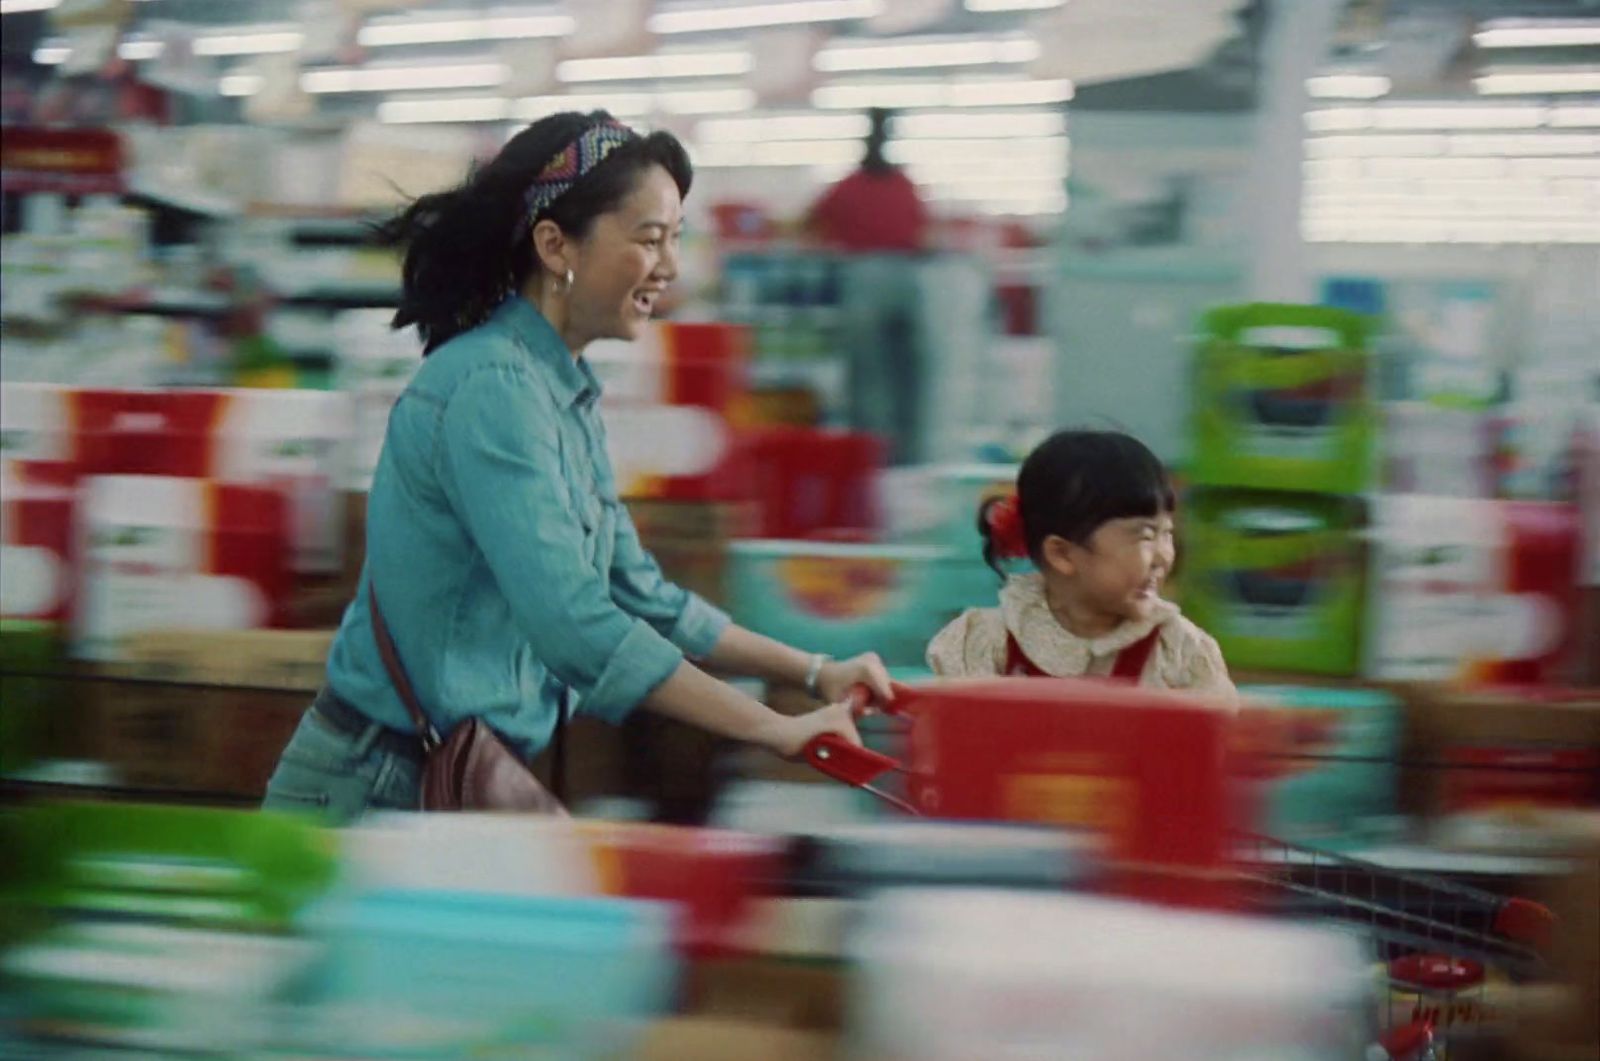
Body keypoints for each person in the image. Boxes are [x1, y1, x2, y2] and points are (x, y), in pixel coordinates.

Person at [263, 111, 890, 823]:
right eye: (649, 238)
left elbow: (642, 593)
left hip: (451, 782)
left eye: (675, 239)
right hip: (373, 786)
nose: (671, 266)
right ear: (557, 245)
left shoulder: (563, 391)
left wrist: (815, 672)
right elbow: (575, 625)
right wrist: (771, 728)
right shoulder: (490, 388)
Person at [926, 430, 1235, 699]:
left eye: (1166, 533)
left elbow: (1210, 753)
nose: (1163, 556)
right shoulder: (986, 644)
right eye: (1144, 536)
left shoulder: (1182, 653)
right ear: (1062, 554)